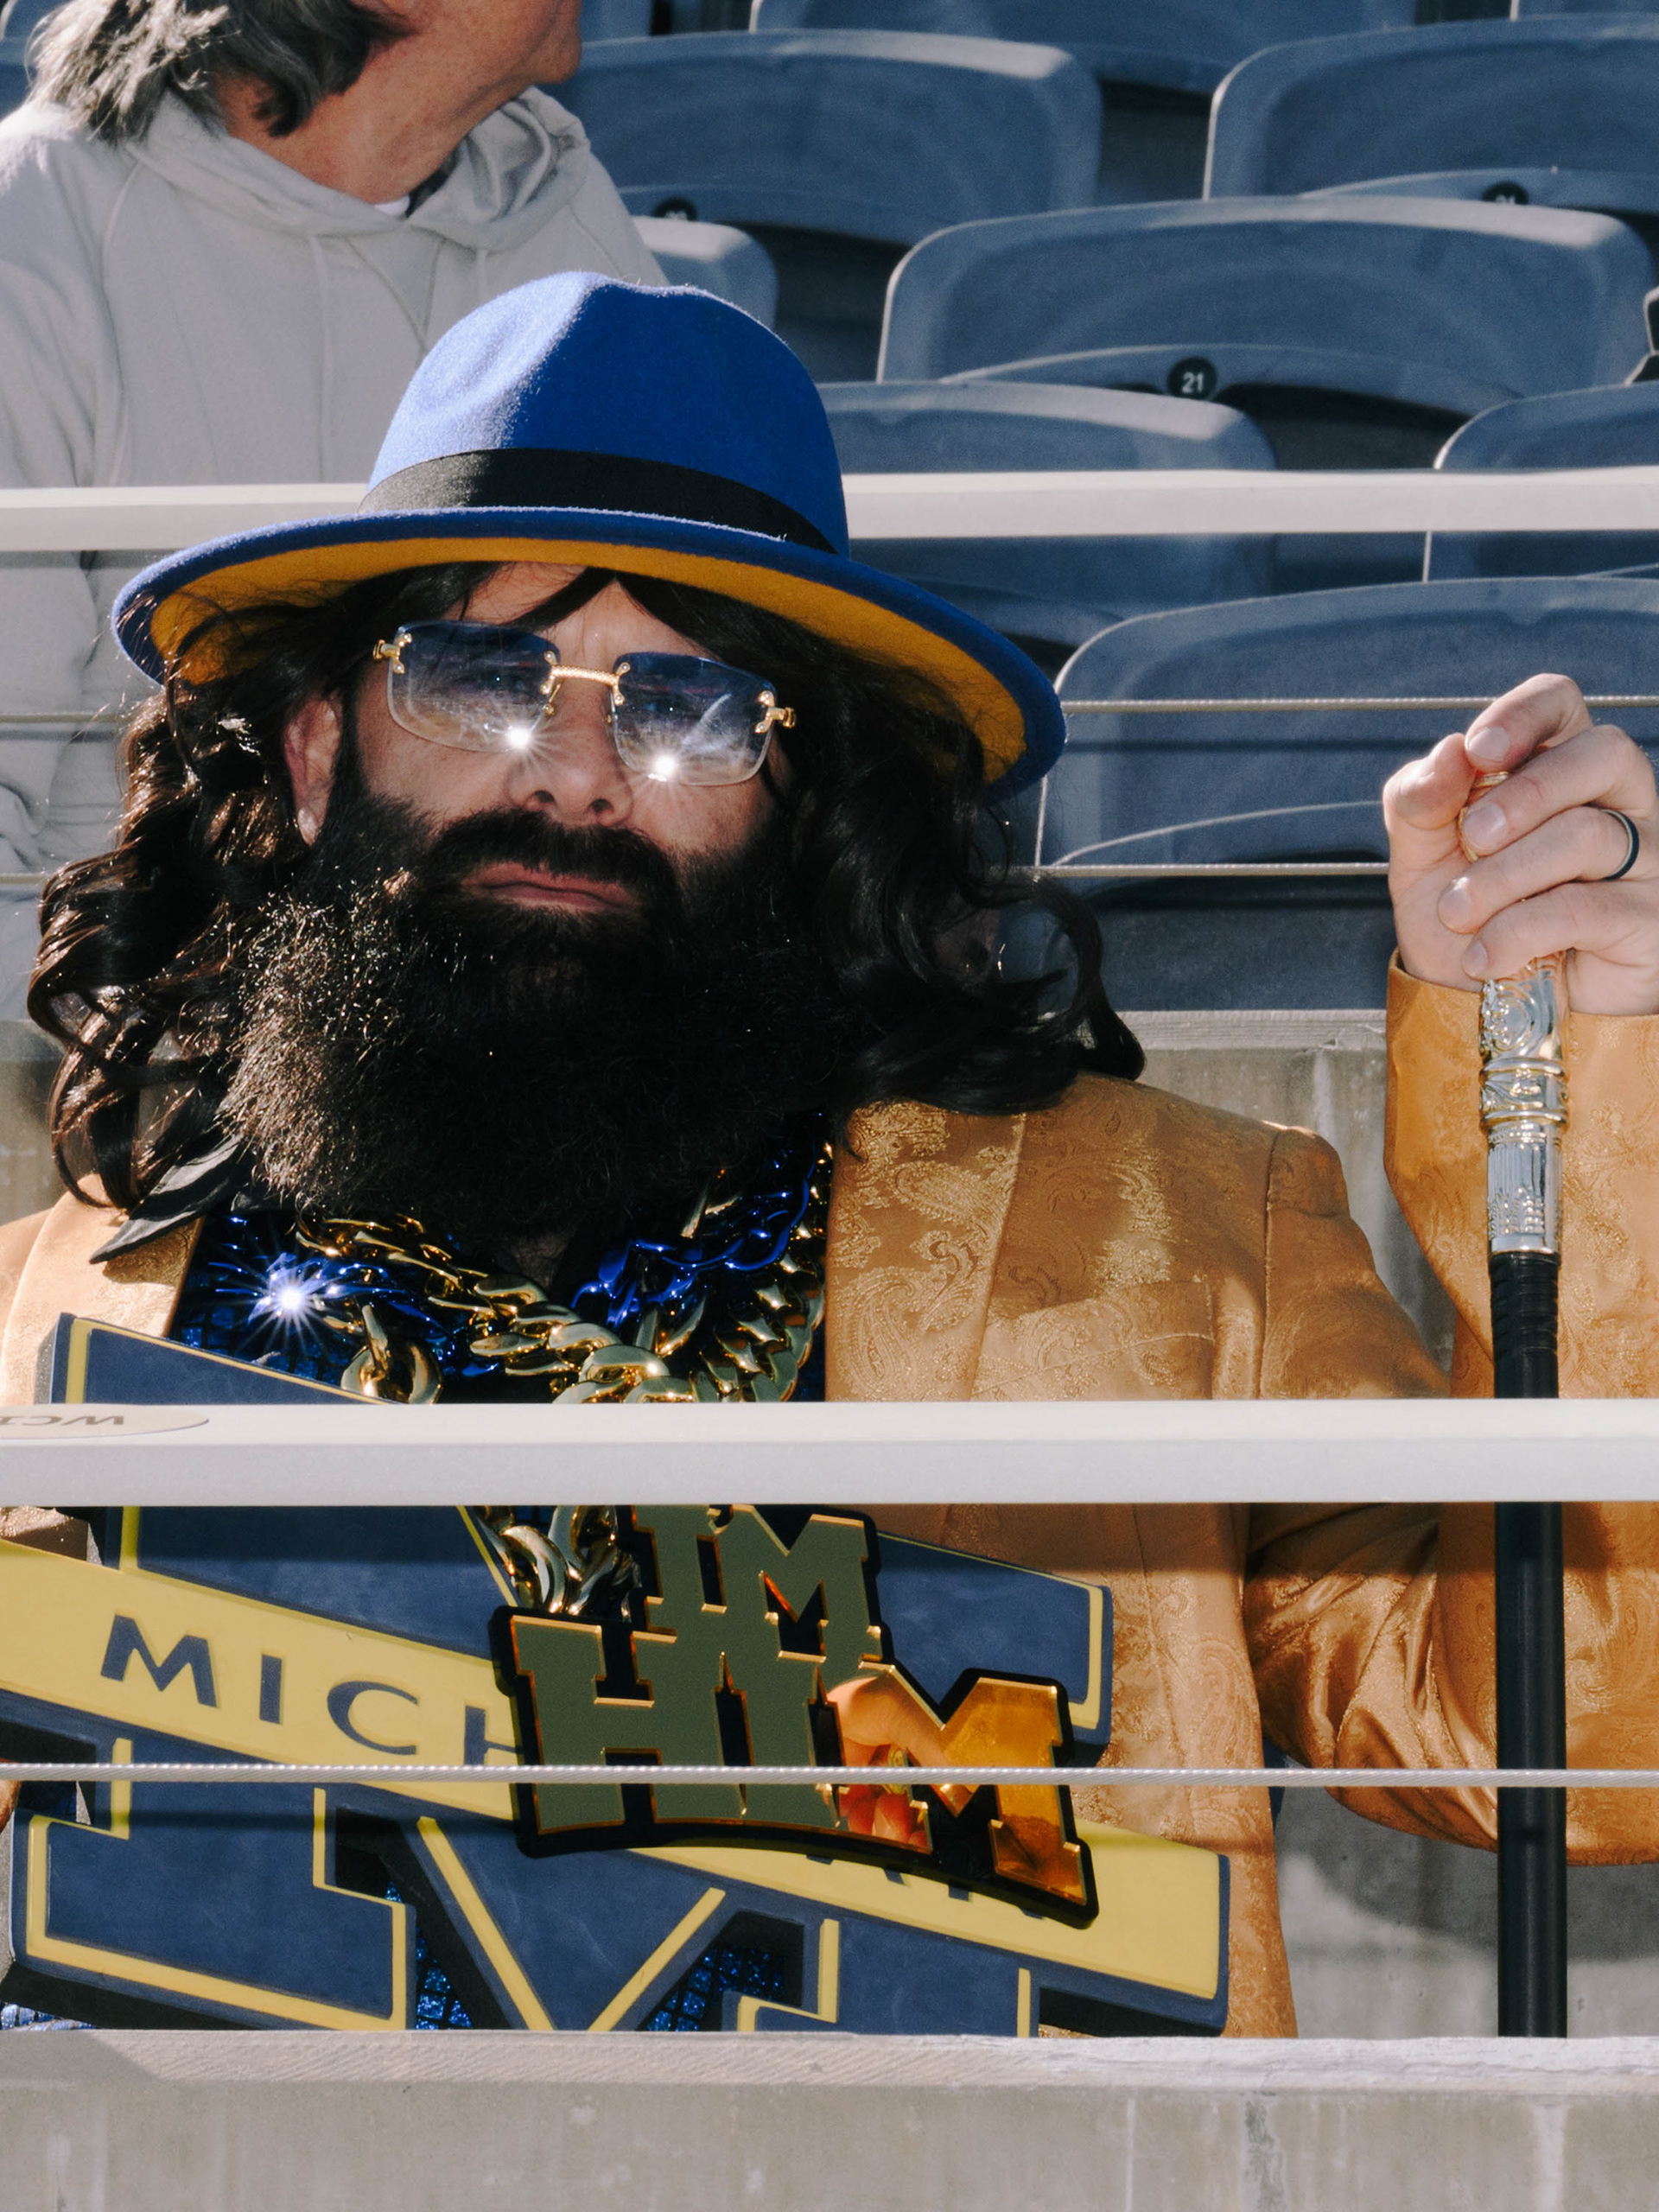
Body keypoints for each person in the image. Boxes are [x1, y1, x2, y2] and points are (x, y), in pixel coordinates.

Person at [3, 270, 1658, 2036]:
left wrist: (1586, 1079)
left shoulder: (1174, 1241)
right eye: (482, 679)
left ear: (806, 803)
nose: (576, 772)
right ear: (321, 744)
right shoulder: (40, 1327)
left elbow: (1572, 1741)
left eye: (689, 708)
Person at [0, 0, 658, 1011]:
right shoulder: (33, 229)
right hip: (127, 1038)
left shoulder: (565, 214)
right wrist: (165, 1051)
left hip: (504, 1018)